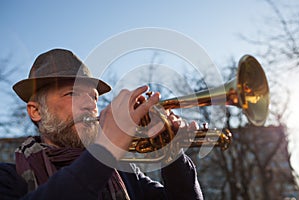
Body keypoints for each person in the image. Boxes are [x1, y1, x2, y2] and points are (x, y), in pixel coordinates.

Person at [0, 48, 203, 199]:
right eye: (72, 94)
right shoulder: (7, 177)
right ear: (36, 111)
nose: (90, 104)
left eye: (94, 97)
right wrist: (106, 148)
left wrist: (172, 152)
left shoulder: (125, 172)